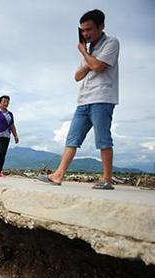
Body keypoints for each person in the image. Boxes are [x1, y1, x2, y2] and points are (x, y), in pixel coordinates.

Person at [37, 9, 119, 190]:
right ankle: (58, 174)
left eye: (89, 29)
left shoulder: (111, 43)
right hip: (83, 100)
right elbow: (77, 76)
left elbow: (98, 67)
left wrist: (85, 54)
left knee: (103, 139)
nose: (85, 34)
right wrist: (90, 59)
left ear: (101, 26)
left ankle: (107, 179)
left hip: (102, 98)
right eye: (82, 30)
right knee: (72, 139)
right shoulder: (90, 50)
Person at [0, 95, 19, 177]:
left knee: (3, 153)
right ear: (0, 102)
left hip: (6, 136)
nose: (6, 103)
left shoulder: (10, 114)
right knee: (0, 151)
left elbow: (12, 126)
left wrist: (15, 136)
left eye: (7, 102)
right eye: (4, 101)